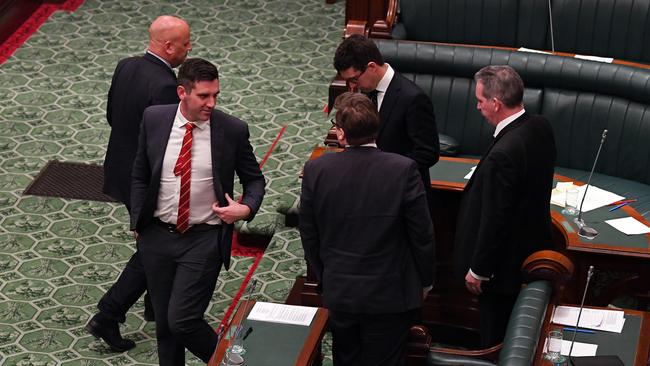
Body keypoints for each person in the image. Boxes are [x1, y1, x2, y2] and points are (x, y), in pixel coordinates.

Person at [130, 58, 265, 365]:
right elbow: (139, 173)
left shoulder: (231, 129)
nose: (211, 103)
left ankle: (231, 363)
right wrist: (137, 220)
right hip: (156, 236)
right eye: (204, 96)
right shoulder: (154, 119)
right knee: (165, 327)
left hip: (203, 238)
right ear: (182, 92)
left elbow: (254, 179)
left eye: (215, 95)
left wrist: (245, 208)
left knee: (182, 320)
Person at [299, 92, 435, 366]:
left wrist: (326, 275)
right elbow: (422, 234)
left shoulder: (316, 169)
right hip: (391, 294)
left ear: (341, 134)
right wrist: (426, 280)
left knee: (346, 358)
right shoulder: (404, 169)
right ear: (377, 127)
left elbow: (309, 234)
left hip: (341, 291)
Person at [87, 15, 192, 352]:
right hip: (145, 181)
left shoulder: (126, 65)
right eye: (186, 43)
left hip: (120, 167)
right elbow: (163, 145)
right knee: (157, 248)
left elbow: (111, 115)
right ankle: (108, 314)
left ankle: (153, 304)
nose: (189, 49)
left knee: (154, 244)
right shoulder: (163, 85)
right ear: (169, 46)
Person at [454, 65, 556, 347]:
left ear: (496, 103)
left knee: (496, 338)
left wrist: (479, 270)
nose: (477, 106)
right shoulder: (540, 126)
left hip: (503, 271)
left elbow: (495, 219)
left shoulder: (504, 154)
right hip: (533, 249)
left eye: (480, 101)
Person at [333, 34, 439, 193]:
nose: (352, 86)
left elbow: (428, 153)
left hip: (401, 191)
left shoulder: (413, 98)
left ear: (372, 67)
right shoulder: (364, 91)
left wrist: (385, 171)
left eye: (354, 79)